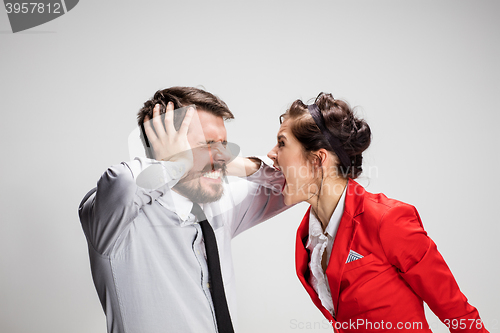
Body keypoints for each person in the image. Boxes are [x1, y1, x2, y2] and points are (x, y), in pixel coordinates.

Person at [267, 93, 489, 333]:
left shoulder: (387, 219)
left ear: (318, 159)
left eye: (281, 144)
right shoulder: (308, 237)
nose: (271, 155)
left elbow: (457, 312)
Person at [78, 87, 286, 333]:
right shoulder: (115, 218)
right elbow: (120, 181)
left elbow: (295, 181)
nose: (222, 156)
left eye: (223, 144)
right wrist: (178, 164)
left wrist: (234, 163)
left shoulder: (220, 204)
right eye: (206, 144)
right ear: (164, 148)